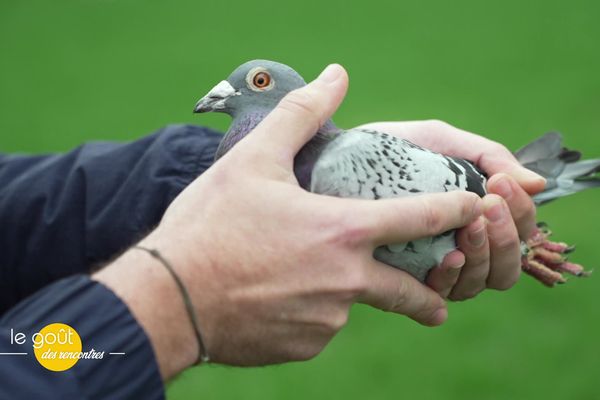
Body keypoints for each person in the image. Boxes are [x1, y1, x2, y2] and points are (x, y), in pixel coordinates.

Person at [0, 64, 542, 399]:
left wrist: (209, 195)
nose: (227, 92)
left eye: (257, 82)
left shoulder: (349, 159)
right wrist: (177, 299)